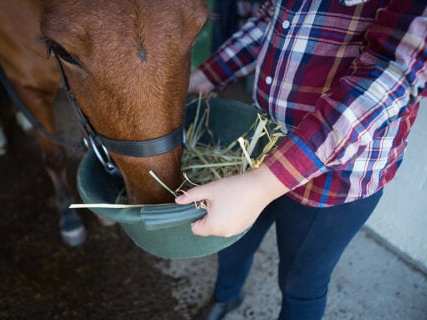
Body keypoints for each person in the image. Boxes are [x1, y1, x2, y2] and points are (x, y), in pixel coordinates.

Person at [175, 0, 427, 319]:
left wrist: (259, 186)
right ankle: (226, 297)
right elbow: (270, 20)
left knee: (301, 281)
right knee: (233, 243)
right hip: (259, 143)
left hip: (338, 176)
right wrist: (207, 76)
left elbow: (390, 77)